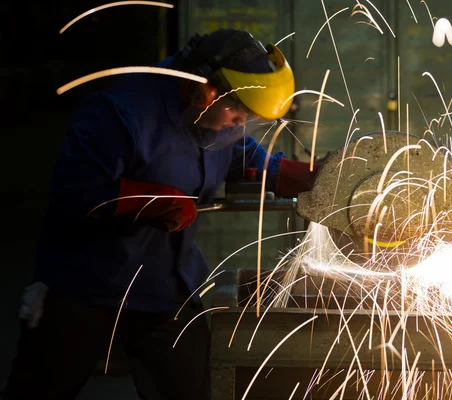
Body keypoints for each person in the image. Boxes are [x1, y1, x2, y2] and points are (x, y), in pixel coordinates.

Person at [3, 29, 319, 400]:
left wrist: (284, 172)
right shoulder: (120, 112)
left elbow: (233, 151)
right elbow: (75, 190)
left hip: (164, 288)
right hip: (84, 287)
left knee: (190, 389)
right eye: (239, 111)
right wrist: (149, 200)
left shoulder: (215, 115)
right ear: (204, 89)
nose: (240, 122)